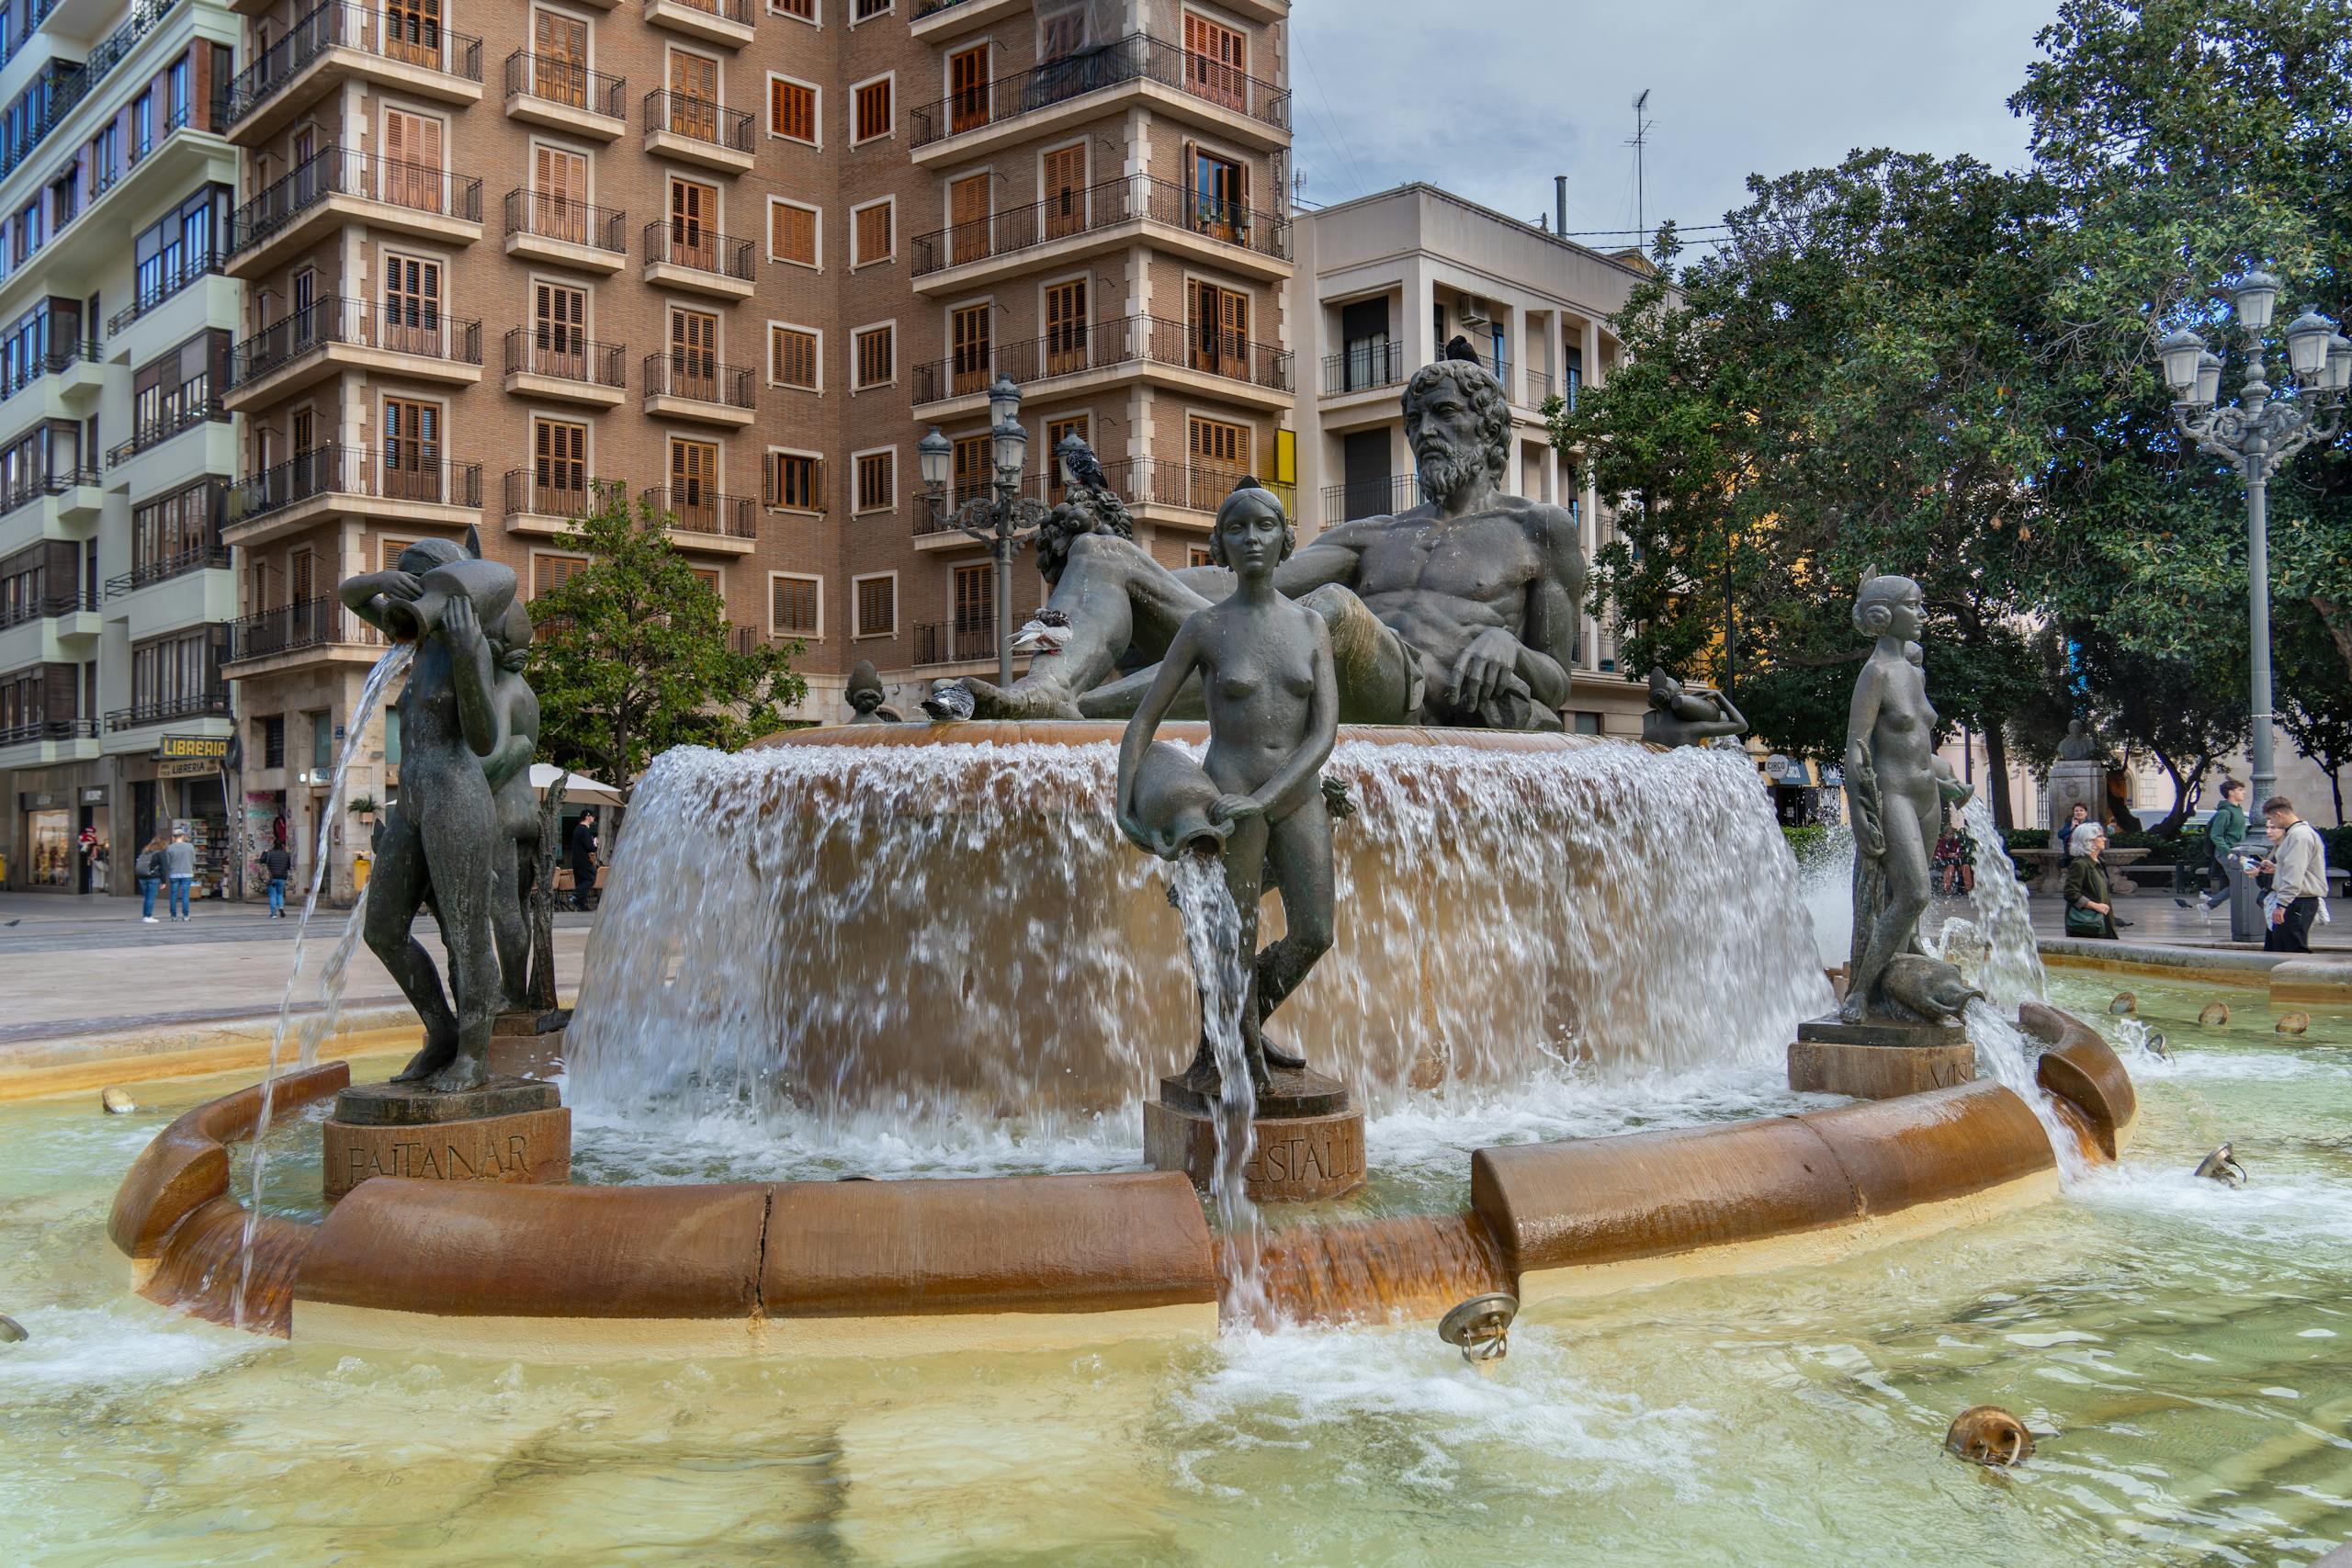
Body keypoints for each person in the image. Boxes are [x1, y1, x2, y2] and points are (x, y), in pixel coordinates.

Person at [948, 350, 1585, 731]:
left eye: (1444, 415)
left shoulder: (1537, 529)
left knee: (1329, 609)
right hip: (1300, 667)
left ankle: (1083, 712)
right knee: (1100, 553)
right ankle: (1046, 690)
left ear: (1490, 426)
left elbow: (1556, 679)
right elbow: (1244, 588)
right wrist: (1134, 576)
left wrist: (1512, 648)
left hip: (1409, 695)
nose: (1425, 432)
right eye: (1416, 420)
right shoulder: (1373, 536)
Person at [1117, 479, 1338, 1088]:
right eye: (1236, 529)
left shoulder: (1312, 627)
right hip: (1226, 798)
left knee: (1316, 930)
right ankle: (1228, 1046)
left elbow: (1323, 735)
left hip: (1292, 793)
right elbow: (1144, 719)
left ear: (1285, 538)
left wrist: (1269, 798)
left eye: (1264, 525)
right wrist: (1125, 804)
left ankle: (1238, 1023)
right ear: (1220, 545)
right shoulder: (1205, 627)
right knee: (1231, 937)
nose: (1251, 538)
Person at [2257, 795, 2328, 953]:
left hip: (2298, 901)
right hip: (2296, 899)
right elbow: (2295, 868)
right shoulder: (2296, 834)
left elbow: (2295, 872)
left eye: (2270, 819)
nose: (2271, 824)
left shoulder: (2299, 836)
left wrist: (2282, 904)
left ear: (2279, 815)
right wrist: (2276, 868)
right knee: (2280, 947)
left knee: (2293, 949)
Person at [2180, 778, 2248, 911]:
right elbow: (2216, 835)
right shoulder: (2224, 813)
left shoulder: (2237, 810)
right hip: (2228, 852)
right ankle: (2209, 905)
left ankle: (2210, 904)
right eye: (2240, 790)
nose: (2244, 793)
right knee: (2240, 883)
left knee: (2237, 883)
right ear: (2231, 792)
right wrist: (2228, 852)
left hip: (2235, 851)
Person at [2064, 822, 2119, 940]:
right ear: (2088, 840)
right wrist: (2094, 906)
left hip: (2103, 919)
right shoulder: (2080, 864)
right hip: (2087, 924)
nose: (2104, 839)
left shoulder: (2099, 862)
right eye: (2099, 836)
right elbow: (2070, 893)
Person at [569, 808, 600, 913]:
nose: (593, 818)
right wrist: (595, 843)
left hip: (576, 860)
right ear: (587, 816)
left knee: (581, 881)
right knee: (590, 878)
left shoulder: (577, 829)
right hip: (584, 860)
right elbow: (589, 847)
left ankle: (581, 905)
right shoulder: (584, 830)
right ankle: (575, 895)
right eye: (592, 816)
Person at [163, 827, 196, 921]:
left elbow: (168, 863)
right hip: (187, 873)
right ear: (183, 836)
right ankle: (186, 916)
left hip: (174, 874)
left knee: (173, 895)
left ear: (173, 837)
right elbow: (193, 860)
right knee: (185, 894)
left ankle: (173, 916)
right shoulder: (190, 846)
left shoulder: (170, 848)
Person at [134, 834, 166, 923]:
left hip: (142, 877)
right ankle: (148, 916)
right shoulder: (160, 852)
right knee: (151, 897)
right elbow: (163, 868)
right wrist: (164, 881)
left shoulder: (145, 851)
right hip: (154, 878)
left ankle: (145, 915)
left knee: (147, 897)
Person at [259, 841, 293, 919]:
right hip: (282, 877)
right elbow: (288, 866)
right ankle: (281, 907)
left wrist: (264, 852)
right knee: (280, 894)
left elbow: (261, 860)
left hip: (272, 877)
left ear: (274, 845)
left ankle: (273, 914)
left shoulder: (269, 853)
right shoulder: (286, 854)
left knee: (272, 895)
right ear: (282, 846)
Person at [2056, 802, 2092, 867]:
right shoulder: (2069, 824)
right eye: (2076, 811)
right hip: (2071, 856)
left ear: (2086, 813)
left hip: (2086, 856)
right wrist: (2071, 828)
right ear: (2074, 813)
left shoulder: (2091, 824)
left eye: (2081, 810)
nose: (2079, 812)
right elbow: (2060, 835)